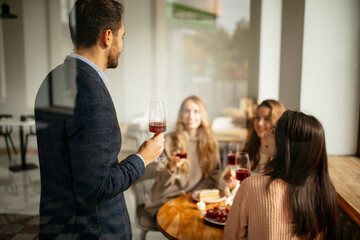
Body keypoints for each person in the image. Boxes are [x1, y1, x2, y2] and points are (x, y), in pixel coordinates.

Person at [34, 1, 164, 239]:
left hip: (57, 225)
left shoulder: (50, 81)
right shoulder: (91, 95)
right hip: (94, 231)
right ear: (107, 37)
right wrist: (143, 157)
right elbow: (95, 189)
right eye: (122, 36)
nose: (122, 45)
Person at [224, 110, 336, 240]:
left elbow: (231, 236)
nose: (266, 133)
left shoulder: (251, 186)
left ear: (286, 144)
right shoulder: (326, 192)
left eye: (273, 131)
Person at [145, 95, 221, 217]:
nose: (191, 116)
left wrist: (193, 194)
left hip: (195, 198)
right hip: (166, 198)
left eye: (196, 111)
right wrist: (169, 168)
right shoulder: (168, 140)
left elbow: (213, 176)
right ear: (181, 115)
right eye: (187, 111)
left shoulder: (211, 144)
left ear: (202, 115)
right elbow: (159, 178)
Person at [218, 99, 285, 197]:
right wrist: (231, 184)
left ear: (277, 122)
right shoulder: (249, 148)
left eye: (267, 119)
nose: (260, 123)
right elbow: (222, 182)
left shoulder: (280, 157)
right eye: (257, 118)